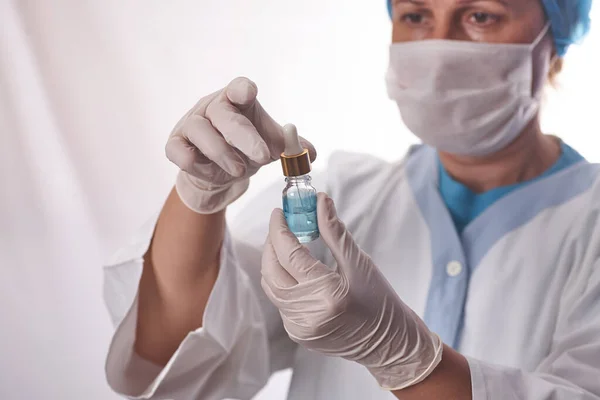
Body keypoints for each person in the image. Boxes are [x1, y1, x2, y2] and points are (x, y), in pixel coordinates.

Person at [103, 0, 599, 399]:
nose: (440, 45)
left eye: (480, 15)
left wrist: (405, 358)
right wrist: (200, 195)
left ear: (556, 37)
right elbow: (179, 358)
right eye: (415, 15)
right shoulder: (342, 196)